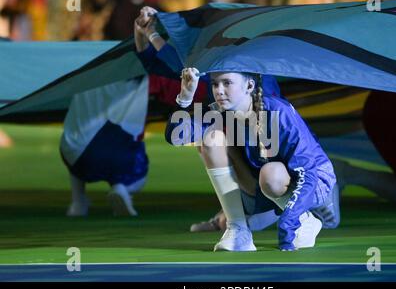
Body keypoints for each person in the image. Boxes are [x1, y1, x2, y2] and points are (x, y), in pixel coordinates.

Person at [165, 67, 339, 252]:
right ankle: (238, 230)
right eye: (215, 84)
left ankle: (306, 219)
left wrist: (291, 219)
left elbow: (308, 173)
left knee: (271, 174)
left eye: (227, 83)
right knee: (211, 140)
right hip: (262, 186)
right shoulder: (217, 110)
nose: (219, 90)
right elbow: (176, 137)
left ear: (249, 85)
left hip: (311, 184)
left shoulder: (279, 111)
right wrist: (185, 98)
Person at [61, 76, 150, 217]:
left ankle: (78, 202)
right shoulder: (144, 65)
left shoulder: (85, 64)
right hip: (118, 154)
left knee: (77, 135)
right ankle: (122, 188)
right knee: (139, 175)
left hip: (73, 153)